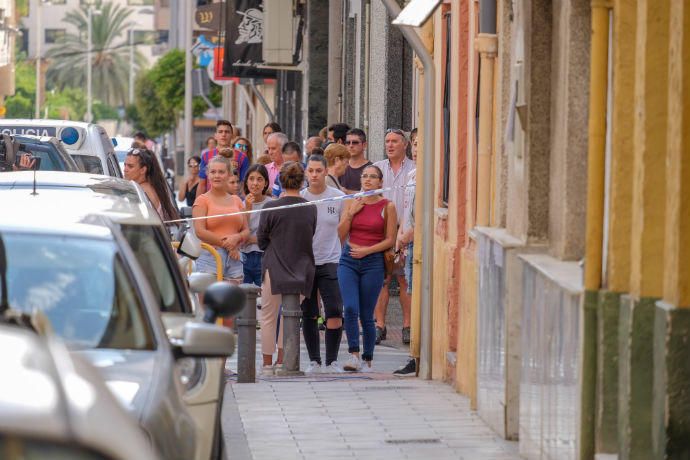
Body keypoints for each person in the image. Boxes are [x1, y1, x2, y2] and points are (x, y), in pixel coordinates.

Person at [257, 162, 317, 375]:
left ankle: (266, 363)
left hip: (274, 265)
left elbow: (261, 239)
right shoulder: (310, 208)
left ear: (279, 181)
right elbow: (311, 234)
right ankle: (284, 359)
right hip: (302, 266)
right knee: (290, 315)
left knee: (268, 315)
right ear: (302, 181)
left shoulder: (271, 207)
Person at [337, 165, 397, 372]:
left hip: (373, 262)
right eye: (365, 176)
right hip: (349, 260)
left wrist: (368, 250)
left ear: (380, 182)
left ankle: (368, 358)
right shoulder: (352, 203)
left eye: (373, 177)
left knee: (366, 313)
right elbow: (340, 234)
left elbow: (390, 239)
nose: (368, 180)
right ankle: (353, 354)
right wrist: (351, 214)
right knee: (350, 308)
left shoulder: (387, 206)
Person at [300, 154, 346, 373]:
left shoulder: (337, 197)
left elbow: (343, 230)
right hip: (306, 263)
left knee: (335, 309)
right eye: (311, 171)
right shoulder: (300, 198)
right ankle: (314, 361)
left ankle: (332, 360)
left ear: (326, 171)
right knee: (308, 311)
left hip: (331, 260)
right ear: (306, 173)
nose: (315, 175)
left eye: (319, 170)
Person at [373, 129, 416, 345]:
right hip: (382, 231)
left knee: (404, 280)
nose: (390, 145)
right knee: (382, 280)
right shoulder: (378, 169)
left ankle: (407, 325)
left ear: (405, 145)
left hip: (407, 230)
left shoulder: (414, 168)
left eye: (395, 142)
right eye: (387, 141)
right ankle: (379, 325)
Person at [192, 156, 249, 285]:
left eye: (221, 172)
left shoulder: (237, 200)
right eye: (213, 172)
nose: (216, 176)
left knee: (233, 303)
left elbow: (246, 230)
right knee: (210, 303)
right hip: (210, 256)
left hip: (235, 258)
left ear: (229, 174)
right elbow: (200, 231)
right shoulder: (202, 200)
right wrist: (228, 245)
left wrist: (237, 237)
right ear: (207, 174)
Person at [124, 147, 179, 221]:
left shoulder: (141, 190)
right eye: (125, 165)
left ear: (143, 170)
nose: (125, 169)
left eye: (130, 166)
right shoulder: (149, 187)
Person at [197, 120, 249, 197]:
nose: (223, 134)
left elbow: (244, 184)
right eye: (220, 132)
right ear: (215, 135)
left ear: (232, 135)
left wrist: (243, 205)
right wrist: (196, 205)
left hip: (233, 202)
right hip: (212, 201)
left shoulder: (242, 157)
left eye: (227, 132)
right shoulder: (206, 156)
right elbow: (202, 184)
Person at [241, 164, 272, 287]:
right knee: (243, 300)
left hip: (264, 257)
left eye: (259, 179)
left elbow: (274, 236)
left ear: (265, 183)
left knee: (265, 300)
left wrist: (252, 239)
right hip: (243, 258)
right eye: (251, 179)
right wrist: (247, 209)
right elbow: (241, 233)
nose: (255, 183)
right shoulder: (240, 204)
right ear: (246, 182)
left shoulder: (272, 204)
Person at [340, 128, 372, 193]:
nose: (351, 145)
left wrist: (346, 192)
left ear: (364, 145)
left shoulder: (371, 168)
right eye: (348, 143)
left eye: (355, 142)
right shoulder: (340, 167)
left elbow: (371, 195)